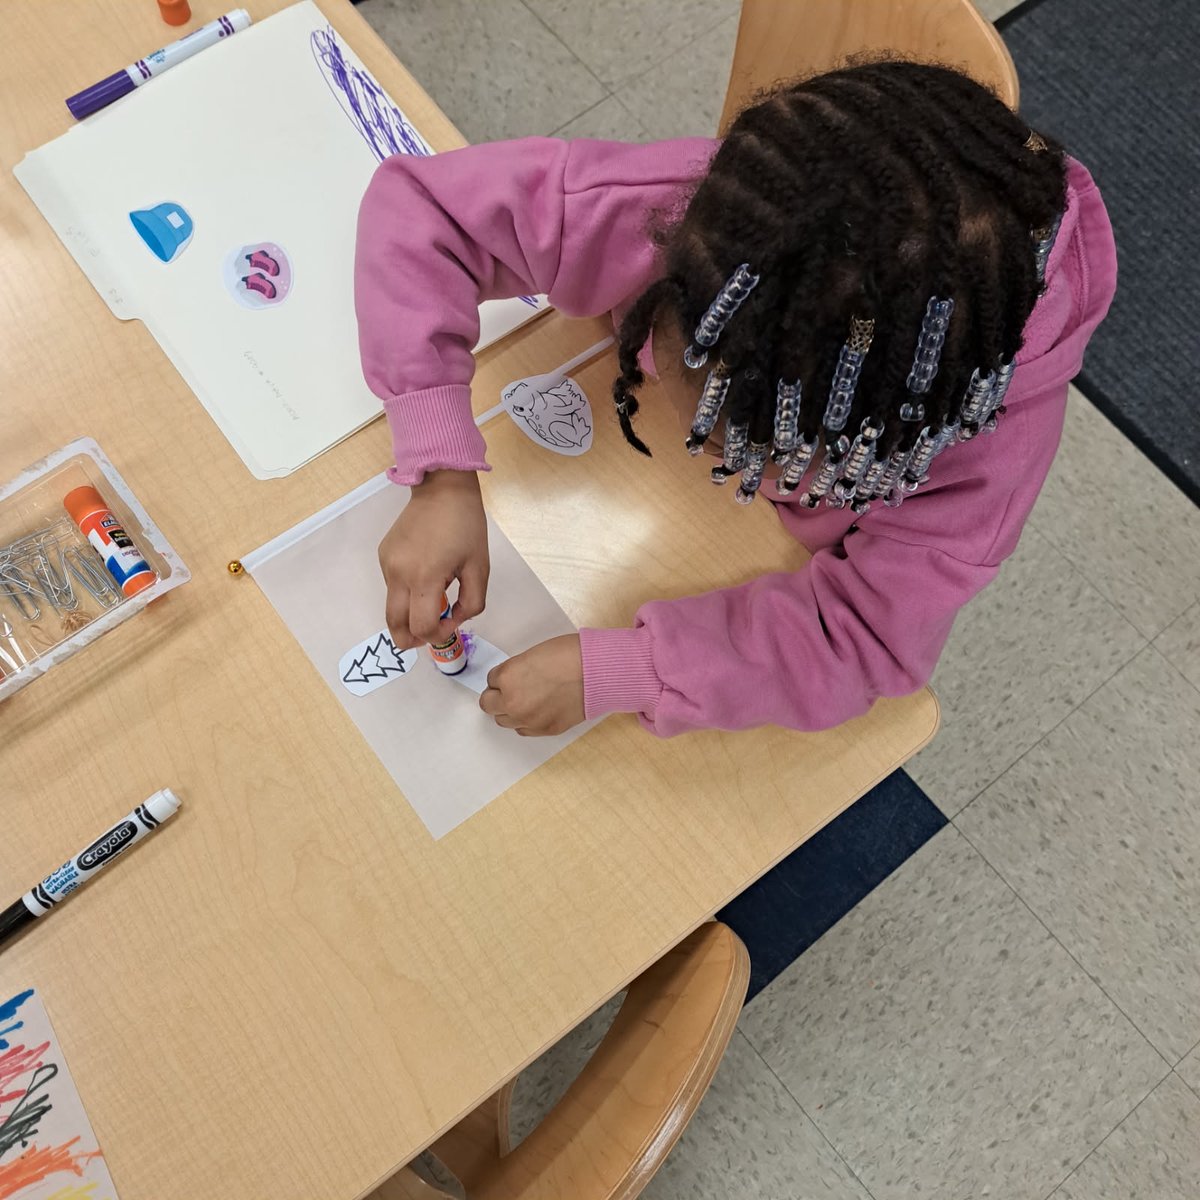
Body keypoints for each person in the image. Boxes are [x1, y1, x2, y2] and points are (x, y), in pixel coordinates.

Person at [354, 60, 1115, 738]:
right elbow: (427, 215)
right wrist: (441, 467)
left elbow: (862, 641)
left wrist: (627, 670)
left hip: (721, 572)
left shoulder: (986, 456)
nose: (699, 442)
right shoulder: (693, 217)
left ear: (882, 448)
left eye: (737, 448)